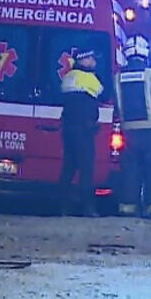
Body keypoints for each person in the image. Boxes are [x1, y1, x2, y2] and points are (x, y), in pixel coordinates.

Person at [114, 35, 151, 218]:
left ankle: (128, 206)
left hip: (128, 131)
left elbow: (115, 102)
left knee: (130, 169)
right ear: (146, 52)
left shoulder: (117, 77)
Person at [59, 47, 103, 217]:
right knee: (86, 170)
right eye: (92, 59)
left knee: (68, 168)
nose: (95, 62)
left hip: (69, 128)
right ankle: (88, 208)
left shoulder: (69, 76)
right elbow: (103, 93)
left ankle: (64, 206)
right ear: (84, 60)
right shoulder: (88, 78)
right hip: (84, 130)